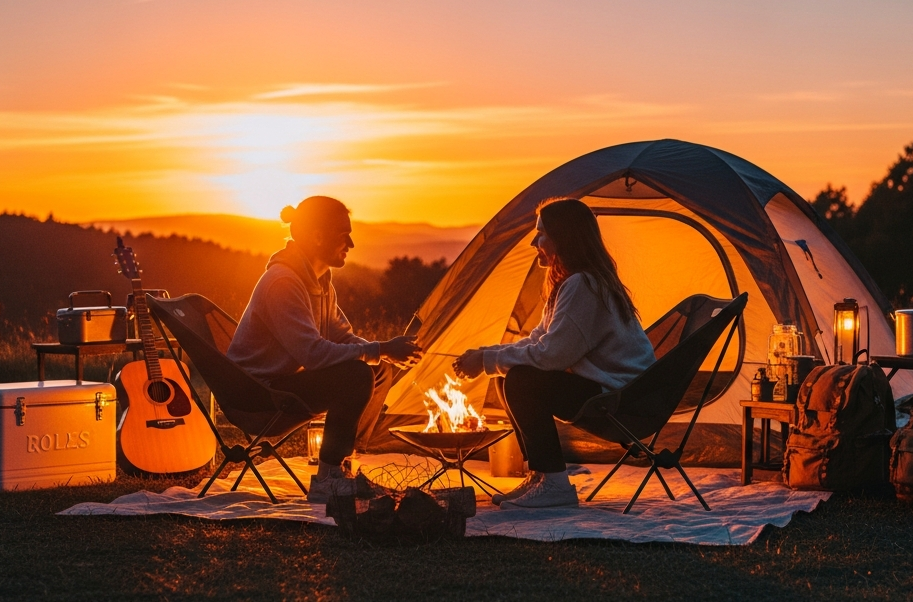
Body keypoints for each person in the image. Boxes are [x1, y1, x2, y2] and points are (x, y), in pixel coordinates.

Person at [452, 198, 654, 509]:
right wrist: (486, 356)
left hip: (623, 399)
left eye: (541, 234)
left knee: (520, 380)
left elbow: (552, 356)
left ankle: (555, 483)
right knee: (507, 376)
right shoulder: (575, 282)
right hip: (616, 391)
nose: (534, 242)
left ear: (564, 237)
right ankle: (542, 475)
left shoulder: (583, 285)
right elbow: (538, 339)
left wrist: (487, 360)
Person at [227, 196, 420, 503]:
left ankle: (343, 463)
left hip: (281, 386)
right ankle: (328, 478)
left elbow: (343, 337)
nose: (352, 244)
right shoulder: (283, 282)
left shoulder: (320, 283)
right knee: (356, 374)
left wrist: (385, 352)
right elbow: (313, 355)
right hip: (255, 395)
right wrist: (380, 347)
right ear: (318, 236)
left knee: (378, 367)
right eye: (344, 234)